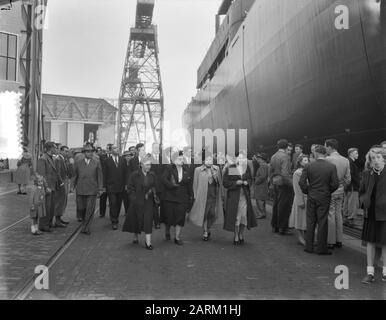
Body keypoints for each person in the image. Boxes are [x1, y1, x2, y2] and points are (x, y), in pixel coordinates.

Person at [299, 145, 339, 255]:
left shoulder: (308, 166)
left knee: (310, 221)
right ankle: (322, 248)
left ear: (316, 153)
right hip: (324, 197)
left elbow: (302, 182)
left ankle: (309, 247)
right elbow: (335, 184)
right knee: (322, 222)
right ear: (325, 153)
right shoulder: (331, 167)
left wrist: (308, 191)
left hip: (312, 196)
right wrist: (327, 191)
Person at [359, 146, 386, 284]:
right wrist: (364, 201)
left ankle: (385, 273)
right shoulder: (366, 174)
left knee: (384, 242)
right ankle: (370, 273)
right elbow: (362, 191)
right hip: (371, 213)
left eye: (378, 157)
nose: (375, 160)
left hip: (384, 213)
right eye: (373, 158)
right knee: (370, 242)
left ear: (384, 158)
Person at [122, 155, 159, 250]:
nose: (149, 167)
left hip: (148, 202)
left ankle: (148, 242)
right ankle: (135, 236)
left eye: (150, 165)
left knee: (148, 220)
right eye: (146, 165)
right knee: (136, 219)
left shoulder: (152, 174)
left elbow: (155, 186)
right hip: (137, 202)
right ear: (141, 165)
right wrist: (134, 199)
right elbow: (130, 188)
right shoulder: (134, 175)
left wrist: (152, 191)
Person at [223, 153, 257, 245]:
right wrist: (235, 183)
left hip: (245, 197)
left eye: (244, 158)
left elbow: (250, 179)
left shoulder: (247, 168)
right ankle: (236, 235)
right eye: (240, 158)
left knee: (244, 217)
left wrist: (247, 182)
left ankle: (241, 234)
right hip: (234, 197)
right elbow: (225, 182)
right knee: (236, 217)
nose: (242, 160)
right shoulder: (231, 168)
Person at [189, 153, 224, 241]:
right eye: (207, 160)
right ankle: (205, 231)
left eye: (211, 160)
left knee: (212, 214)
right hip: (203, 196)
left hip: (213, 195)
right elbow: (195, 183)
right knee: (204, 214)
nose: (209, 162)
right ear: (204, 161)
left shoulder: (217, 169)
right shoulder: (198, 170)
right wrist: (195, 196)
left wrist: (216, 176)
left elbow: (220, 183)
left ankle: (208, 228)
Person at [161, 151, 193, 245]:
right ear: (174, 160)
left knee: (180, 217)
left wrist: (191, 195)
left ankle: (177, 237)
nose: (181, 160)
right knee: (169, 217)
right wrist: (171, 185)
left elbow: (189, 183)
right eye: (179, 159)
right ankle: (167, 230)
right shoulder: (169, 168)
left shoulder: (186, 169)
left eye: (182, 158)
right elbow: (163, 179)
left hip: (182, 197)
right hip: (170, 196)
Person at [325, 139, 351, 249]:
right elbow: (348, 179)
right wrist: (341, 186)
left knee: (331, 214)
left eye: (325, 146)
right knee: (338, 214)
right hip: (340, 191)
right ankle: (339, 240)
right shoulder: (345, 160)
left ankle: (331, 241)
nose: (325, 149)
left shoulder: (327, 159)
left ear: (330, 147)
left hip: (330, 190)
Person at [73, 143, 103, 235]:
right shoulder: (78, 162)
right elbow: (75, 175)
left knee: (90, 209)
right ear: (84, 152)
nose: (89, 153)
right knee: (81, 208)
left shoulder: (96, 162)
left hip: (92, 189)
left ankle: (86, 227)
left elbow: (100, 176)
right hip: (81, 188)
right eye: (87, 151)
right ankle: (84, 223)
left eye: (91, 151)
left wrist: (100, 188)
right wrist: (72, 186)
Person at [269, 139, 293, 235]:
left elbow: (270, 171)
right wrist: (291, 184)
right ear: (287, 146)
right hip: (284, 183)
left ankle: (275, 225)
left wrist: (271, 182)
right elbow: (285, 173)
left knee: (276, 204)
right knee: (284, 206)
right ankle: (283, 227)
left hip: (275, 182)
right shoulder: (285, 156)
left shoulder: (273, 156)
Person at [36, 142, 59, 232]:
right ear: (50, 148)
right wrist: (45, 187)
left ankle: (49, 223)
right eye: (55, 148)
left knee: (51, 207)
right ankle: (43, 225)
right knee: (45, 206)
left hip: (52, 186)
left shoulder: (52, 158)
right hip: (47, 187)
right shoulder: (43, 159)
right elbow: (41, 175)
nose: (56, 150)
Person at [103, 145, 128, 230]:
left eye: (117, 148)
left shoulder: (122, 160)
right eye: (114, 148)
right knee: (112, 203)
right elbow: (104, 174)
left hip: (120, 186)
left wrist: (126, 184)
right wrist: (104, 186)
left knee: (118, 204)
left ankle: (115, 216)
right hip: (111, 186)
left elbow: (125, 173)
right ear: (111, 151)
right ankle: (114, 221)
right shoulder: (107, 161)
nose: (116, 149)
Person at [289, 155, 309, 245]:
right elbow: (296, 188)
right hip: (300, 198)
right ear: (300, 162)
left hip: (307, 198)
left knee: (305, 219)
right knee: (299, 218)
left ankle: (305, 237)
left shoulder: (308, 171)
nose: (307, 161)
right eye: (305, 160)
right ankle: (300, 237)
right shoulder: (297, 173)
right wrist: (300, 201)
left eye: (307, 160)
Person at [53, 145, 71, 227]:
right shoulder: (58, 159)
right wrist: (61, 183)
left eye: (68, 151)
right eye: (65, 151)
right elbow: (58, 172)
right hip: (61, 183)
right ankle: (57, 220)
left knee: (64, 201)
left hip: (65, 181)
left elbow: (68, 171)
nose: (67, 153)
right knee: (60, 201)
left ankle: (60, 218)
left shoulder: (65, 159)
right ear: (61, 151)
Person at [343, 148, 361, 226]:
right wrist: (358, 183)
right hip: (352, 186)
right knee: (352, 203)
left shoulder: (347, 161)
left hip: (348, 185)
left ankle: (346, 218)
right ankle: (351, 220)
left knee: (347, 202)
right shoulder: (351, 162)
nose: (358, 155)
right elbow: (352, 175)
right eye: (356, 153)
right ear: (351, 154)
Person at [253, 153, 269, 219]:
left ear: (263, 160)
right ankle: (262, 213)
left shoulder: (263, 166)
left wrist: (256, 181)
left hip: (260, 185)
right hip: (263, 185)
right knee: (261, 200)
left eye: (259, 158)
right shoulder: (264, 165)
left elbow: (262, 176)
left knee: (259, 199)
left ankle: (261, 214)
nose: (258, 160)